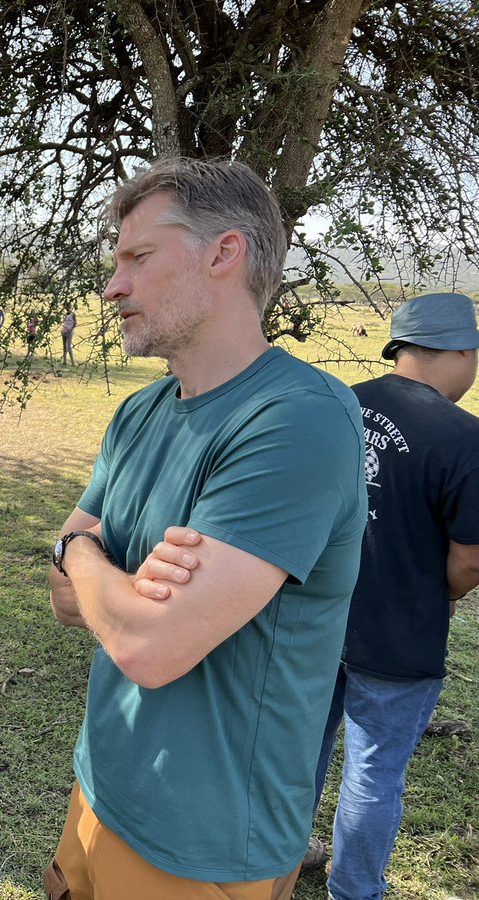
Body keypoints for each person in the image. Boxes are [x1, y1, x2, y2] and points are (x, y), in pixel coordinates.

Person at [44, 157, 366, 899]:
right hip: (99, 786)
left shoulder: (298, 420)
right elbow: (63, 599)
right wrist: (98, 568)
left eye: (138, 258)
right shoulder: (139, 413)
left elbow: (150, 646)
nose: (111, 285)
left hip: (207, 844)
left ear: (224, 253)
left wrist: (81, 550)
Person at [307, 292, 479, 900]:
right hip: (400, 634)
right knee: (373, 774)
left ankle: (282, 854)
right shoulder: (466, 437)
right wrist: (443, 593)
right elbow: (470, 557)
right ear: (462, 348)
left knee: (303, 747)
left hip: (316, 619)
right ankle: (353, 889)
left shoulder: (338, 405)